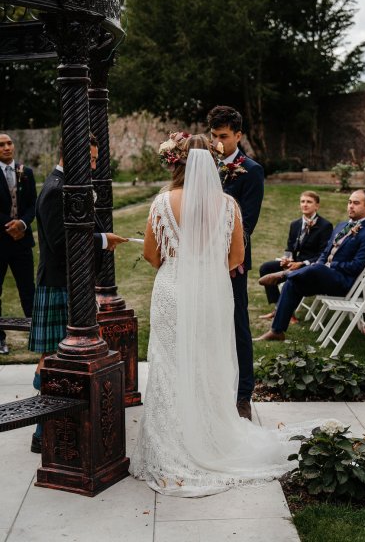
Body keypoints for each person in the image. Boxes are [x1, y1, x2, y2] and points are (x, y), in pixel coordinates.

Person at [131, 133, 308, 497]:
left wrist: (179, 264)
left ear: (176, 161)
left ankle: (172, 441)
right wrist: (207, 267)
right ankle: (211, 435)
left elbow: (151, 254)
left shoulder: (163, 202)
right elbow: (236, 258)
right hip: (213, 292)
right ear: (214, 164)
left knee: (169, 363)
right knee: (208, 362)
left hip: (172, 288)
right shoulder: (228, 205)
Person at [28, 136, 127, 453]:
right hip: (58, 285)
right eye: (92, 160)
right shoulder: (57, 190)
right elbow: (61, 244)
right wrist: (101, 240)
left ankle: (47, 430)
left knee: (53, 361)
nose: (95, 166)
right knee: (53, 363)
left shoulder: (65, 186)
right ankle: (42, 434)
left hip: (65, 284)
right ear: (73, 156)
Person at [262, 189, 365, 342]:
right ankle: (277, 331)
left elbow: (357, 266)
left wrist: (330, 265)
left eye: (356, 203)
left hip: (344, 283)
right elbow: (325, 252)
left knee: (317, 268)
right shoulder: (341, 225)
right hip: (323, 277)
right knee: (293, 283)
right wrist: (321, 263)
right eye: (349, 202)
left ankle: (283, 275)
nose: (351, 206)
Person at [207, 106, 264, 421]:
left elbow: (248, 221)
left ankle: (244, 394)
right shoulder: (204, 165)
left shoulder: (251, 170)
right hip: (202, 260)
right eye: (214, 136)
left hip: (233, 260)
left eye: (224, 136)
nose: (218, 143)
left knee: (238, 325)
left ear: (238, 135)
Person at [257, 191, 332, 326]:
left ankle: (287, 312)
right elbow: (290, 247)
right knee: (266, 268)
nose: (305, 204)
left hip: (310, 265)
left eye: (309, 202)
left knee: (291, 278)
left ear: (317, 206)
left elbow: (323, 254)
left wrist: (302, 263)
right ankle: (277, 307)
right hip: (293, 263)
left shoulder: (325, 226)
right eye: (302, 201)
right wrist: (287, 259)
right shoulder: (295, 224)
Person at [0, 133, 36, 355]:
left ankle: (36, 334)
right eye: (1, 145)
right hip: (0, 241)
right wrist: (10, 226)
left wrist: (22, 223)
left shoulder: (26, 172)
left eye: (9, 143)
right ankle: (0, 338)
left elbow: (33, 204)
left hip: (22, 242)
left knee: (28, 290)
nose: (6, 147)